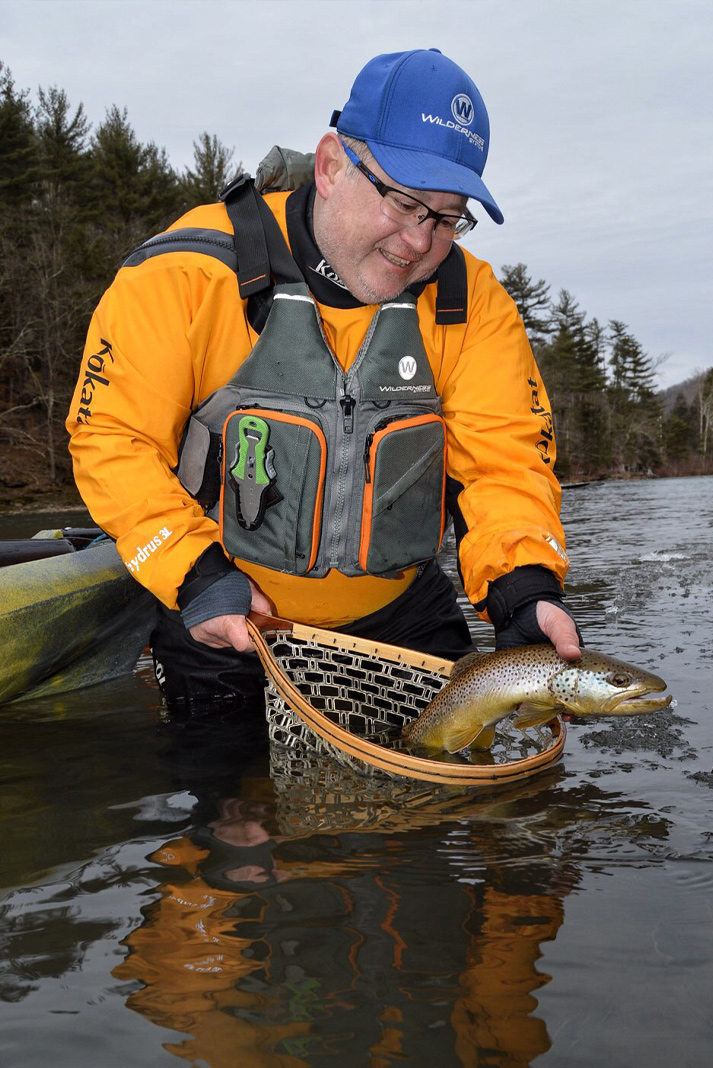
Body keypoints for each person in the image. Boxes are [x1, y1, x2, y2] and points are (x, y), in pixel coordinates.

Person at [67, 48, 581, 706]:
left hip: (402, 617)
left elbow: (504, 464)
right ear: (333, 165)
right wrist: (193, 575)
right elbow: (112, 438)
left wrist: (524, 591)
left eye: (447, 217)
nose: (420, 242)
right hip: (222, 609)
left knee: (468, 797)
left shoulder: (472, 301)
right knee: (233, 805)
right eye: (403, 202)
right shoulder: (186, 273)